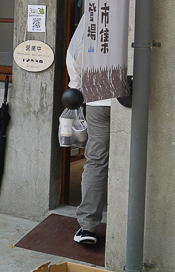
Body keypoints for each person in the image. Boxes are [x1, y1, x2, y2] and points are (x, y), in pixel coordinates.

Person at [65, 15, 110, 245]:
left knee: (96, 160)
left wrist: (75, 85)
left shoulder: (98, 8)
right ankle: (127, 221)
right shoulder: (134, 5)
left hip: (98, 99)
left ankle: (87, 227)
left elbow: (76, 57)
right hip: (132, 98)